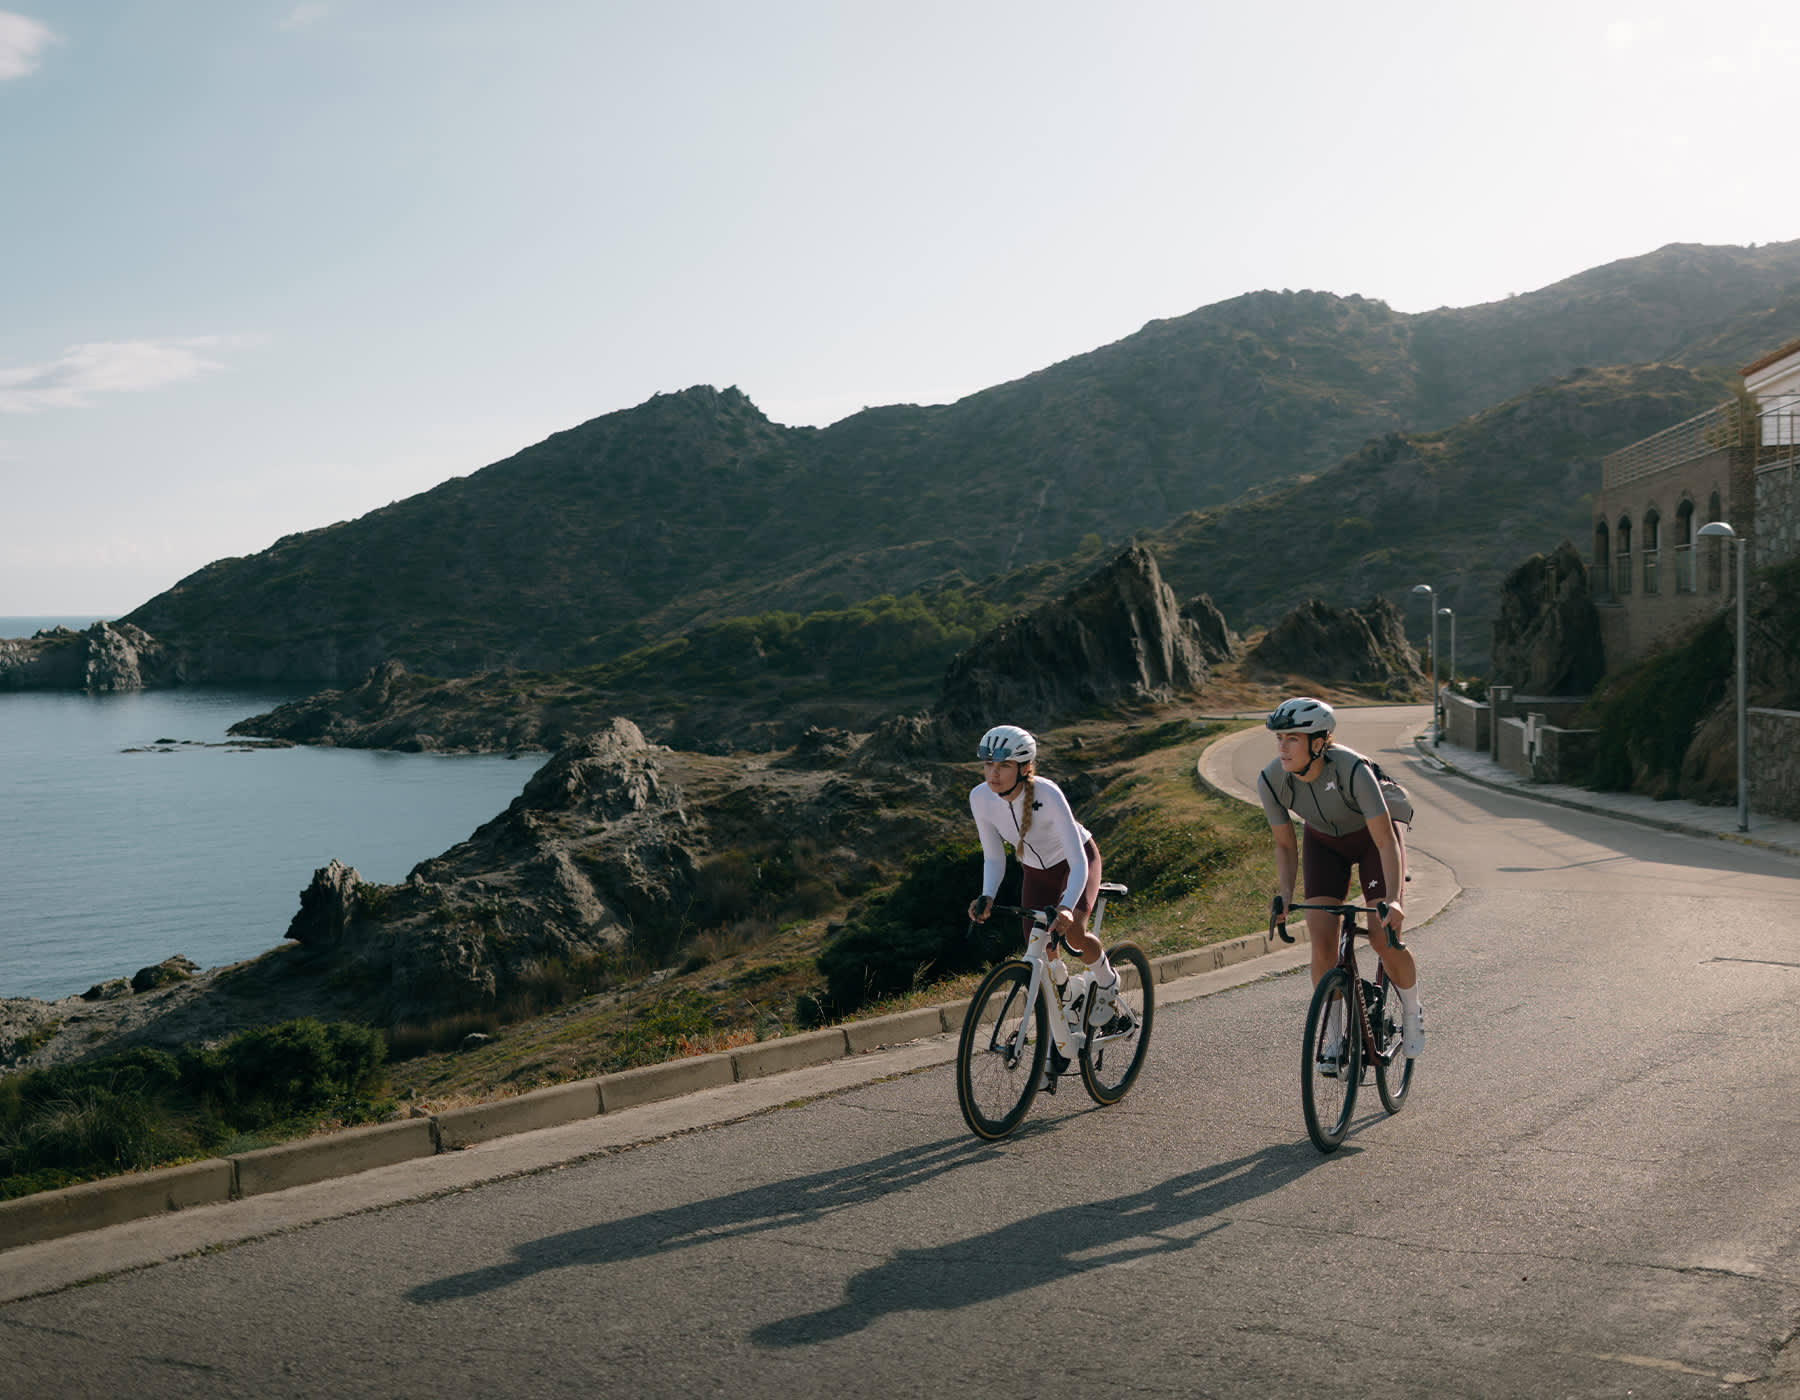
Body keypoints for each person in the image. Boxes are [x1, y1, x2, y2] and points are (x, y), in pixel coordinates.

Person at [1257, 696, 1424, 1072]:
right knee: (1321, 938)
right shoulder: (1271, 780)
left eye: (1293, 739)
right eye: (1279, 738)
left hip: (1374, 834)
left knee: (1384, 937)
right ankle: (1334, 1040)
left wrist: (1394, 901)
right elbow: (1285, 844)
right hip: (1325, 840)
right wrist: (1284, 896)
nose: (1282, 748)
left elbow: (1384, 841)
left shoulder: (1352, 769)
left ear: (1319, 742)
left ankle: (1413, 1013)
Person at [966, 723, 1118, 1087]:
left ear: (1024, 767)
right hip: (1035, 873)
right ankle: (1067, 1005)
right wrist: (987, 895)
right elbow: (993, 857)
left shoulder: (1047, 793)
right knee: (1039, 950)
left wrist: (1067, 906)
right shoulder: (980, 798)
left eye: (1002, 766)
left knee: (1074, 935)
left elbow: (1078, 860)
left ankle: (1108, 984)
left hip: (1075, 863)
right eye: (988, 765)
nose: (993, 774)